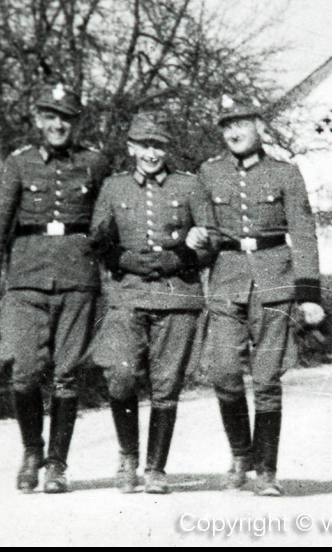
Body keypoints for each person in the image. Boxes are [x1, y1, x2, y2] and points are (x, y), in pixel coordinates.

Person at [0, 83, 109, 493]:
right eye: (50, 117)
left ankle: (56, 465)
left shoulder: (96, 162)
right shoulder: (19, 164)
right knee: (24, 370)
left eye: (65, 118)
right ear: (38, 121)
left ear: (76, 122)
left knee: (67, 375)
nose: (57, 125)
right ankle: (32, 450)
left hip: (76, 278)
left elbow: (107, 223)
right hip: (26, 278)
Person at [197, 95, 324, 497]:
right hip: (227, 280)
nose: (233, 132)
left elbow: (303, 233)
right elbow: (202, 230)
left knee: (267, 379)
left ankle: (266, 471)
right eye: (226, 126)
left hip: (274, 282)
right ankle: (241, 452)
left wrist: (309, 293)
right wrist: (196, 240)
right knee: (223, 372)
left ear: (259, 127)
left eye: (242, 123)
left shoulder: (285, 173)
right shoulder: (209, 173)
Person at [88, 112, 215, 494]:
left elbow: (213, 242)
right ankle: (128, 455)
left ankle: (155, 468)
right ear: (131, 148)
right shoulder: (113, 187)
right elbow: (98, 241)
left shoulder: (189, 186)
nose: (151, 153)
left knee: (166, 384)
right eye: (144, 145)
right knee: (121, 375)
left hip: (177, 296)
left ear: (167, 149)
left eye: (158, 145)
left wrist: (185, 254)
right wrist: (124, 260)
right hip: (128, 295)